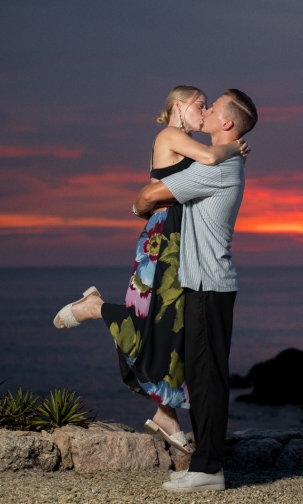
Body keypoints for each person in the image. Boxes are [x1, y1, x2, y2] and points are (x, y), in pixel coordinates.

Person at [53, 85, 248, 455]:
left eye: (208, 107)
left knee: (170, 325)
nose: (203, 111)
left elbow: (200, 180)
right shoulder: (171, 135)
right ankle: (95, 307)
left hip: (177, 240)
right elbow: (208, 161)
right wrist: (234, 147)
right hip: (163, 241)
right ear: (179, 106)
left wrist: (232, 155)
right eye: (199, 105)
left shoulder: (187, 143)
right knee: (152, 321)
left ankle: (165, 413)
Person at [133, 88, 257, 492]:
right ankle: (205, 463)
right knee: (202, 376)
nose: (204, 112)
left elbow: (149, 196)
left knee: (208, 378)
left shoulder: (215, 168)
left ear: (225, 123)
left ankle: (209, 470)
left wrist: (138, 205)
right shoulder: (221, 161)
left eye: (213, 108)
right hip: (202, 284)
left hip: (207, 285)